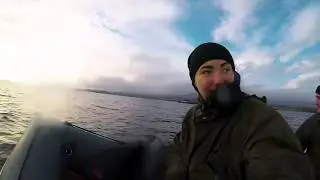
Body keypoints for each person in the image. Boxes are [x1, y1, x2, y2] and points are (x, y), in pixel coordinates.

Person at [165, 42, 314, 180]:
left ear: (234, 75)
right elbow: (178, 150)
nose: (219, 79)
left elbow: (279, 167)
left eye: (226, 69)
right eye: (207, 71)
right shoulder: (193, 116)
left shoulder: (260, 118)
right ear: (194, 82)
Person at [295, 85, 320, 180]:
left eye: (319, 98)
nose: (317, 102)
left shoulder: (313, 123)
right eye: (316, 98)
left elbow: (293, 147)